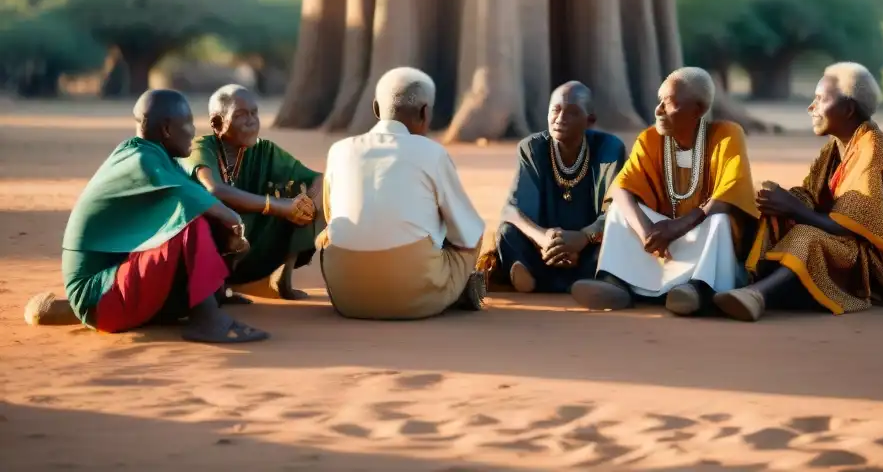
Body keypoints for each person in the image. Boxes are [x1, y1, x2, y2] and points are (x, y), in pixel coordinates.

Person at [715, 62, 883, 322]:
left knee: (807, 237)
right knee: (766, 211)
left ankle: (756, 296)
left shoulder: (874, 149)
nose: (811, 108)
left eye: (820, 99)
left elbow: (852, 227)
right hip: (842, 242)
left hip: (880, 262)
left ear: (848, 109)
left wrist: (793, 207)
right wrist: (782, 199)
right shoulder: (837, 146)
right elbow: (813, 196)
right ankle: (729, 281)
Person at [28, 90, 268, 343]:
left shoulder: (161, 159)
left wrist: (226, 235)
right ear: (166, 129)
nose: (192, 131)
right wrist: (232, 219)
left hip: (119, 282)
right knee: (191, 222)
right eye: (186, 124)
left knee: (205, 223)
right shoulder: (139, 160)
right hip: (97, 298)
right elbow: (196, 202)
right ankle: (207, 319)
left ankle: (212, 294)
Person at [571, 67, 760, 316]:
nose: (658, 110)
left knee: (720, 220)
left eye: (670, 104)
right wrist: (646, 232)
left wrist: (678, 226)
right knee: (619, 210)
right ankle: (614, 282)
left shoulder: (727, 134)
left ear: (699, 110)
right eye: (659, 101)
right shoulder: (650, 139)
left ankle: (698, 289)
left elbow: (730, 194)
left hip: (698, 236)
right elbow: (621, 188)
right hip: (661, 241)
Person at [318, 67, 487, 319]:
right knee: (471, 233)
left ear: (376, 109)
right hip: (413, 298)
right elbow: (467, 233)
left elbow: (330, 219)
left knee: (327, 237)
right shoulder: (432, 152)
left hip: (347, 298)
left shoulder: (339, 150)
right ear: (425, 112)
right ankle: (451, 289)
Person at [181, 85, 323, 302]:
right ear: (216, 123)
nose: (251, 121)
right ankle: (215, 289)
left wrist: (308, 203)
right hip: (206, 251)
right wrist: (277, 205)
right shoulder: (201, 149)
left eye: (254, 113)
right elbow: (215, 189)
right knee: (222, 217)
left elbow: (319, 179)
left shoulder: (264, 150)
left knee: (304, 198)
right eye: (240, 115)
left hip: (252, 250)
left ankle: (281, 278)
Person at [487, 81, 626, 293]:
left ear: (590, 121)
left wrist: (582, 238)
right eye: (556, 110)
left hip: (588, 247)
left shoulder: (609, 148)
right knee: (507, 232)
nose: (560, 119)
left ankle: (593, 278)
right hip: (544, 250)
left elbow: (616, 209)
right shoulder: (532, 148)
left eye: (572, 113)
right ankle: (530, 274)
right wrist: (543, 239)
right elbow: (513, 210)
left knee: (618, 235)